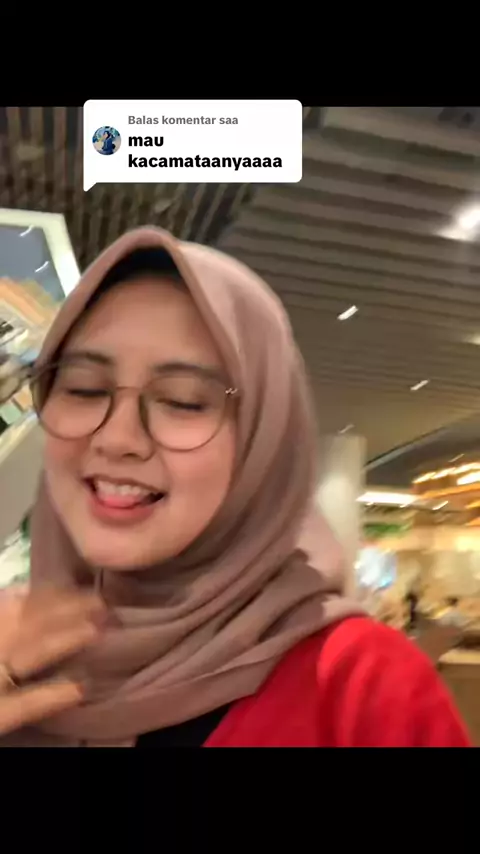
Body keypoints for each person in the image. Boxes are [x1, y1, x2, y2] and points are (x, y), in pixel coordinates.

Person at [0, 227, 470, 747]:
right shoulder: (14, 647)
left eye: (182, 400)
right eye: (83, 388)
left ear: (263, 442)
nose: (117, 438)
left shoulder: (363, 690)